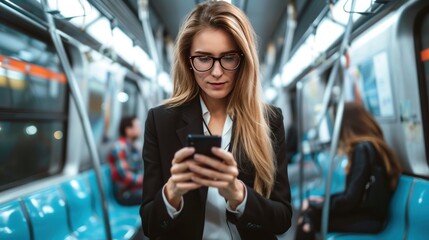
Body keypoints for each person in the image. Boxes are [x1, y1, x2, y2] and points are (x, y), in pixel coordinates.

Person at [139, 1, 293, 239]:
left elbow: (282, 218)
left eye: (228, 58)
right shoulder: (161, 121)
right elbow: (150, 225)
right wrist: (172, 192)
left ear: (243, 60)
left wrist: (238, 195)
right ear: (188, 62)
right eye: (203, 59)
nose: (217, 72)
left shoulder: (268, 120)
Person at [294, 102, 402, 240]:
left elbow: (350, 199)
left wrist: (316, 203)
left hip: (368, 220)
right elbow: (354, 194)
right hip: (371, 216)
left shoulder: (362, 149)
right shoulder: (373, 145)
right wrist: (322, 200)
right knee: (310, 214)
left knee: (308, 215)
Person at [108, 115, 143, 206]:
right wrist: (145, 181)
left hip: (135, 190)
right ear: (128, 130)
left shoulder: (135, 146)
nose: (139, 130)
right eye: (137, 127)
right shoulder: (119, 147)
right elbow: (124, 175)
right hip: (125, 194)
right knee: (156, 197)